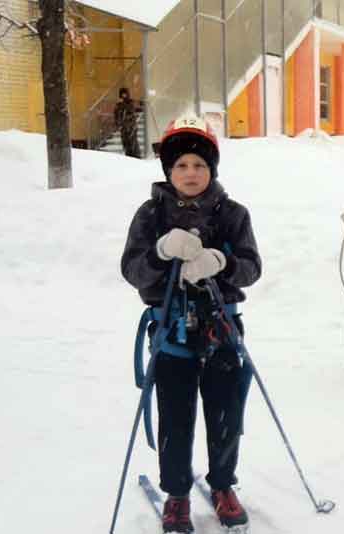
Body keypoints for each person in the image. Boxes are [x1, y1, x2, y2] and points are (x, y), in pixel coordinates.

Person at [121, 115, 262, 533]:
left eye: (199, 165)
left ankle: (222, 485)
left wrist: (221, 262)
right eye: (181, 165)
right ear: (168, 169)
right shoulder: (150, 215)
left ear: (212, 169)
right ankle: (177, 493)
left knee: (225, 416)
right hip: (172, 333)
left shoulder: (233, 214)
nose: (191, 173)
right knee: (176, 417)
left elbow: (252, 267)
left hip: (222, 331)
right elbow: (132, 269)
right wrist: (162, 253)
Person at [114, 87, 141, 158]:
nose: (123, 96)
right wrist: (117, 124)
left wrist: (122, 105)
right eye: (122, 94)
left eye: (125, 94)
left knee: (133, 143)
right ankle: (128, 157)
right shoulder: (118, 105)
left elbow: (131, 113)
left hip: (131, 127)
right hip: (123, 128)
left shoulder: (130, 103)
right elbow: (116, 115)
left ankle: (136, 157)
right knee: (125, 144)